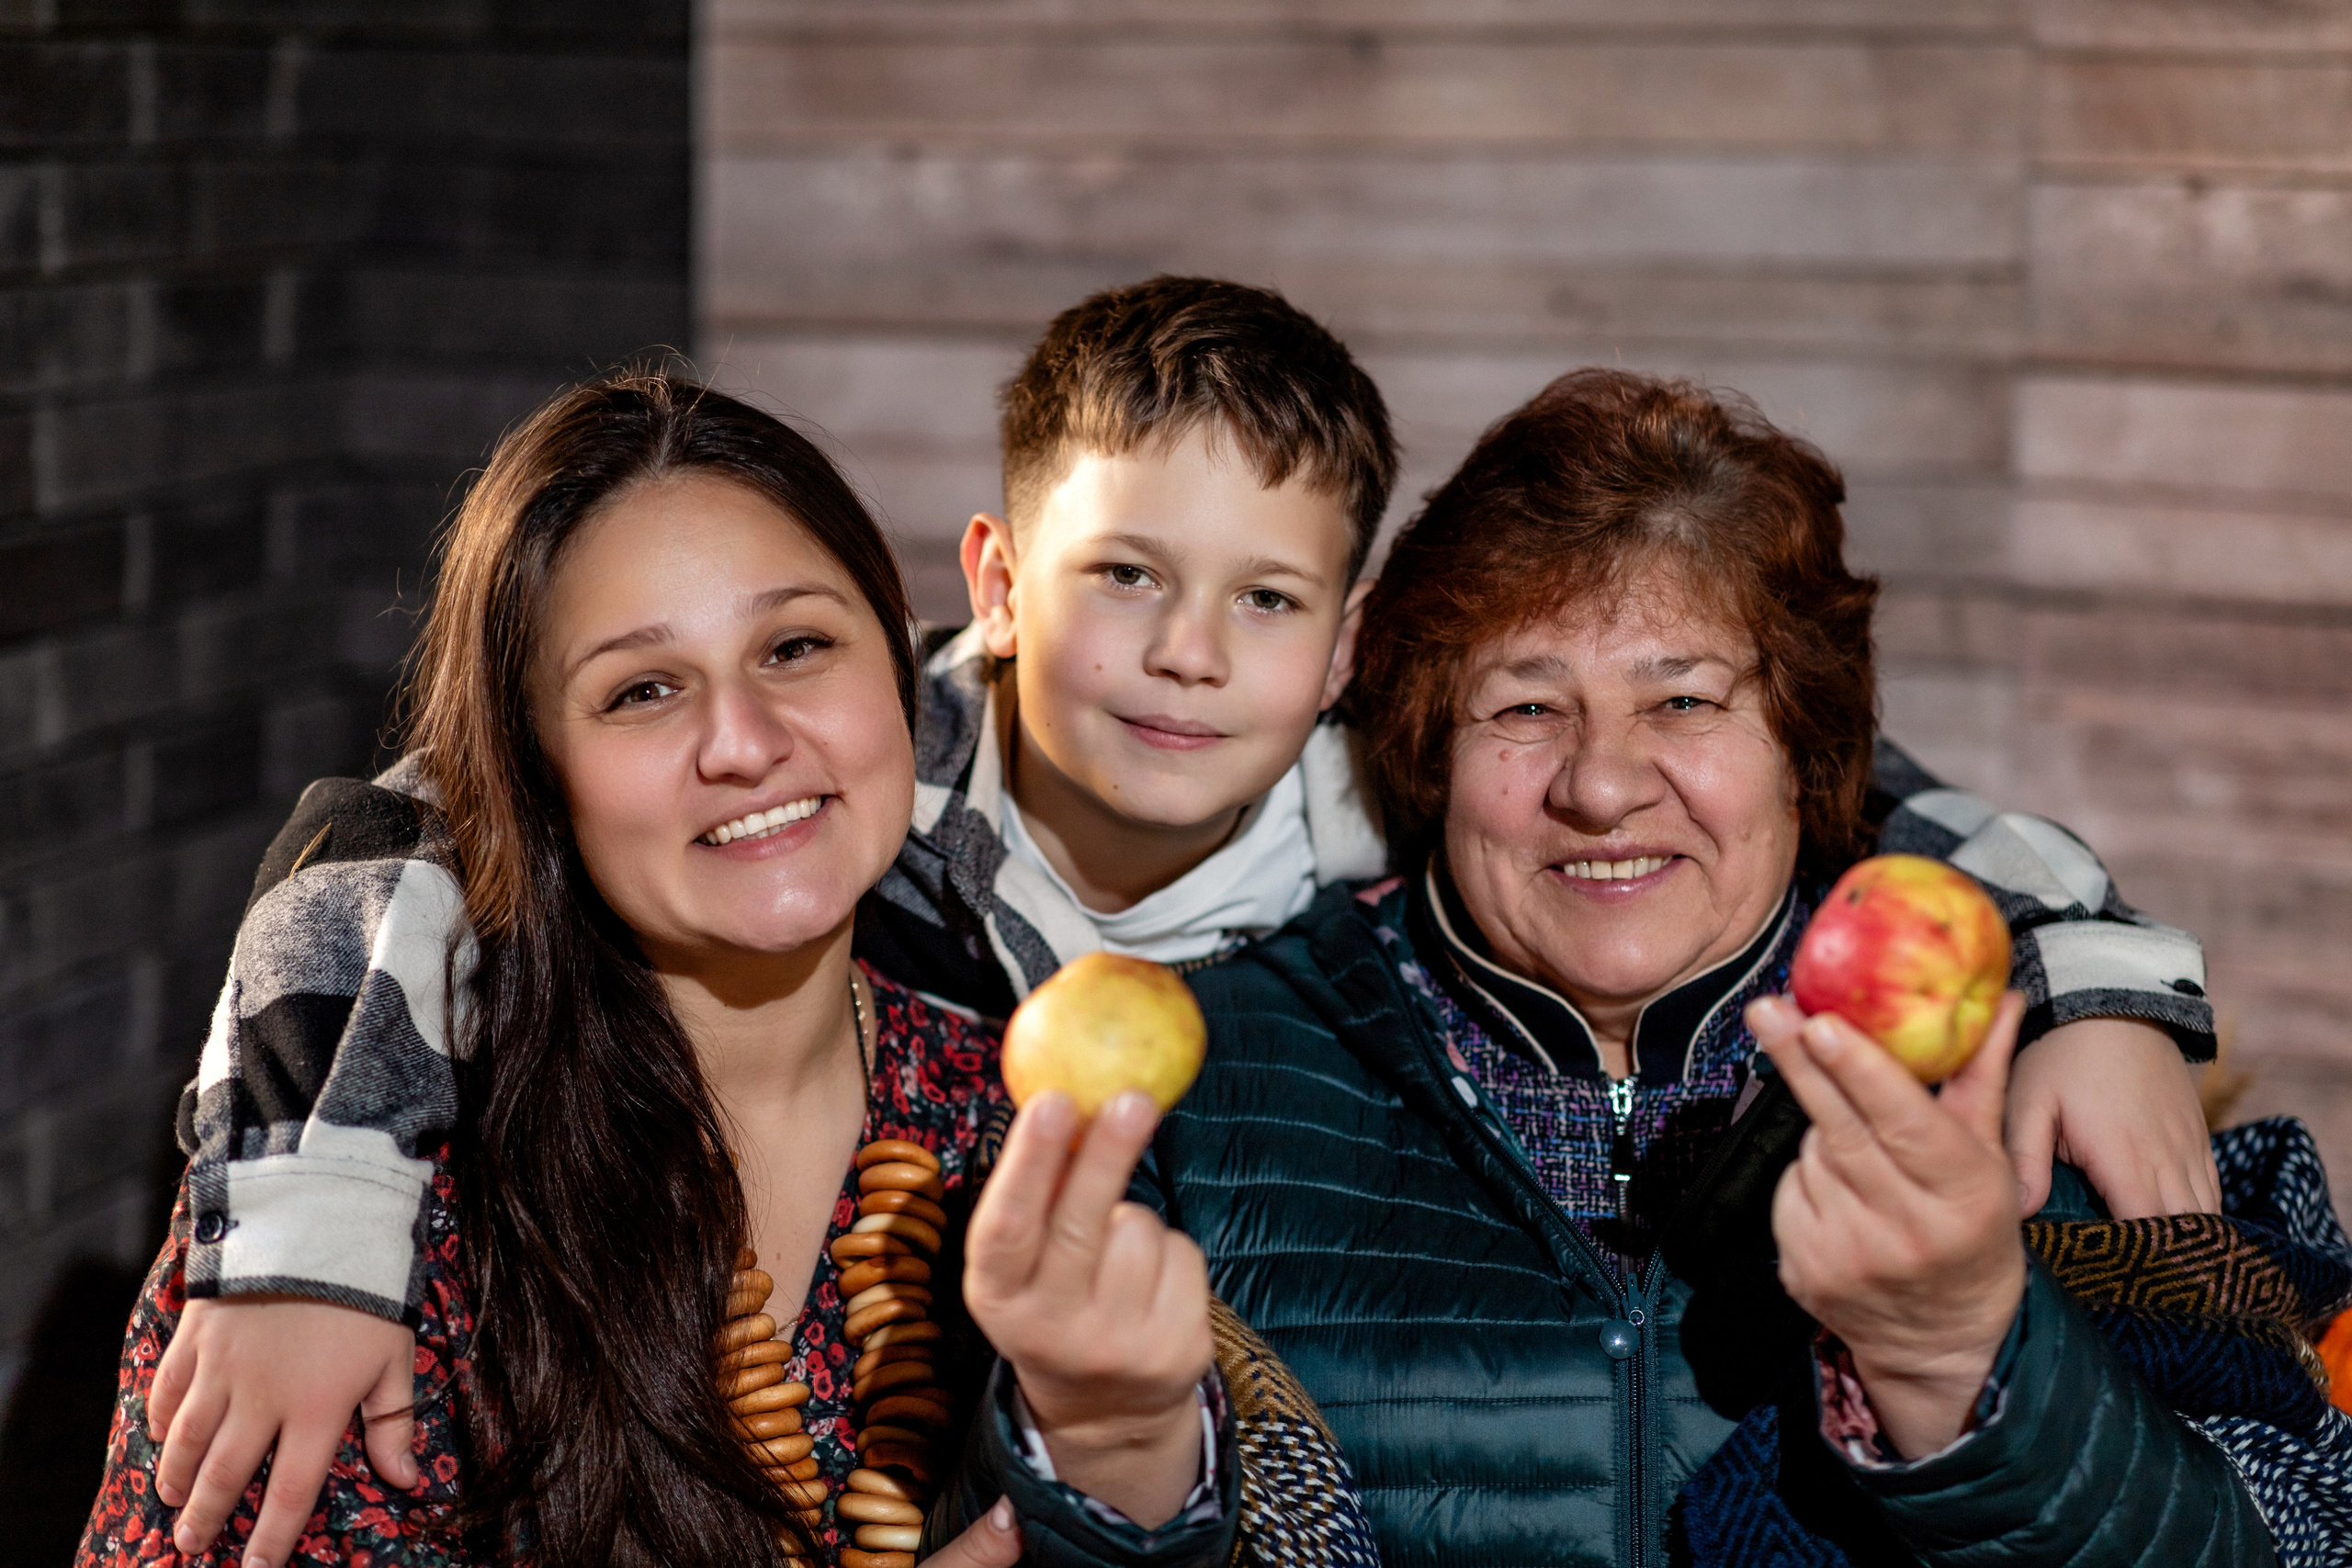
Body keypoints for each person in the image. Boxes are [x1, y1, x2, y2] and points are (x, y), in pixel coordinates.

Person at [127, 282, 2219, 1558]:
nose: (1186, 656)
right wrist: (305, 1223)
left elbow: (1802, 780)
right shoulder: (874, 756)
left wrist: (2097, 980)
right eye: (1123, 574)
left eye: (1265, 600)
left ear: (1345, 649)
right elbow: (397, 837)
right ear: (994, 586)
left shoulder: (1389, 796)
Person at [78, 373, 1329, 1567]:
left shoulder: (1008, 1126)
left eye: (796, 647)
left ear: (905, 677)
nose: (743, 742)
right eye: (643, 690)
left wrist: (1125, 1449)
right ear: (536, 774)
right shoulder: (351, 1198)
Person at [1136, 368, 2334, 1565]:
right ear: (1430, 749)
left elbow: (2279, 1542)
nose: (1601, 786)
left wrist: (1965, 1362)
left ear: (1799, 749)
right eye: (1526, 709)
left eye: (1683, 701)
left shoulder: (2026, 1095)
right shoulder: (1191, 1088)